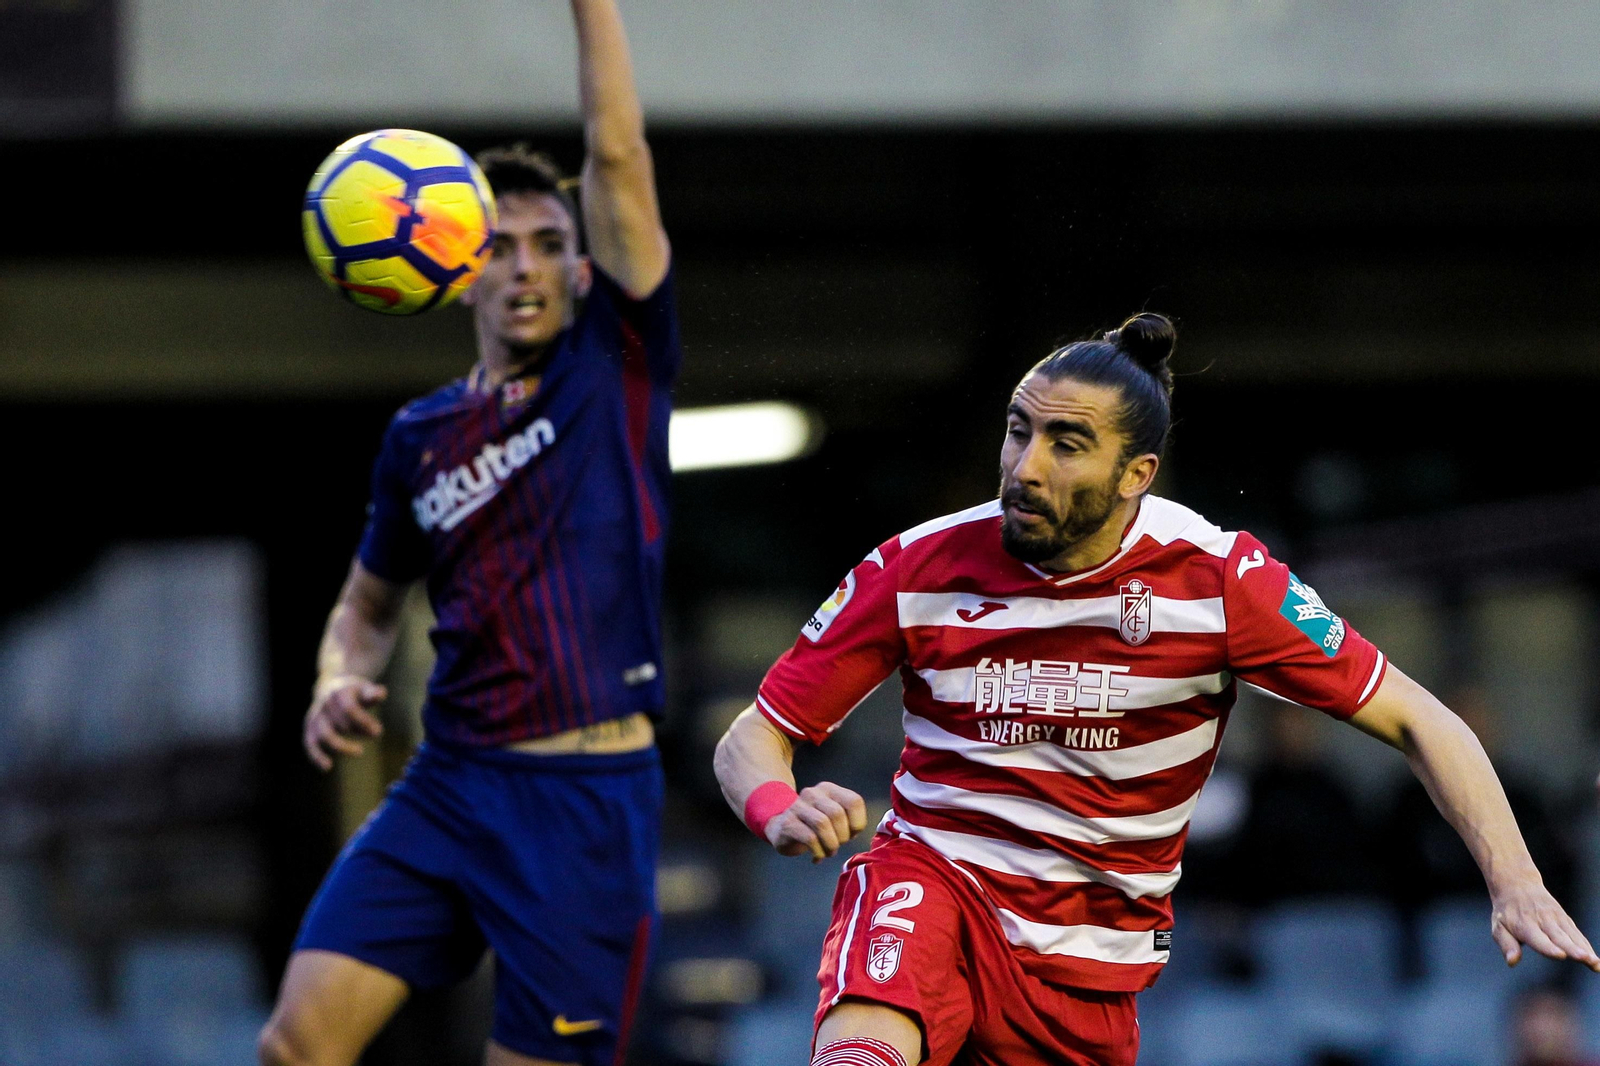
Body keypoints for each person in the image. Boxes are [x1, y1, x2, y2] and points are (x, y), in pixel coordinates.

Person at [712, 313, 1598, 1066]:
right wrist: (776, 807)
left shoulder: (1220, 581)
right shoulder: (916, 566)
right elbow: (753, 735)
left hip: (1092, 967)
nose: (1025, 466)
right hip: (937, 883)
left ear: (1137, 474)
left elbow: (1420, 719)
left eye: (1066, 445)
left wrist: (1515, 881)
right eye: (1018, 431)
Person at [257, 2, 676, 1064]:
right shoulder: (421, 436)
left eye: (551, 245)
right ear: (453, 266)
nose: (526, 266)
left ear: (583, 271)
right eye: (499, 246)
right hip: (449, 782)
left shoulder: (613, 370)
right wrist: (336, 678)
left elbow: (617, 157)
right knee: (296, 1045)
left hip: (583, 800)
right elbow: (365, 608)